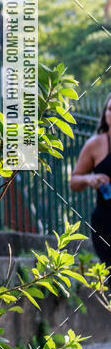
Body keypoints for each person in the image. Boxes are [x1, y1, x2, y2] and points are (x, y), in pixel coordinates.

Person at [69, 93, 111, 267]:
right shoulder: (95, 145)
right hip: (105, 223)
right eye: (109, 109)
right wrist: (89, 178)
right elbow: (74, 182)